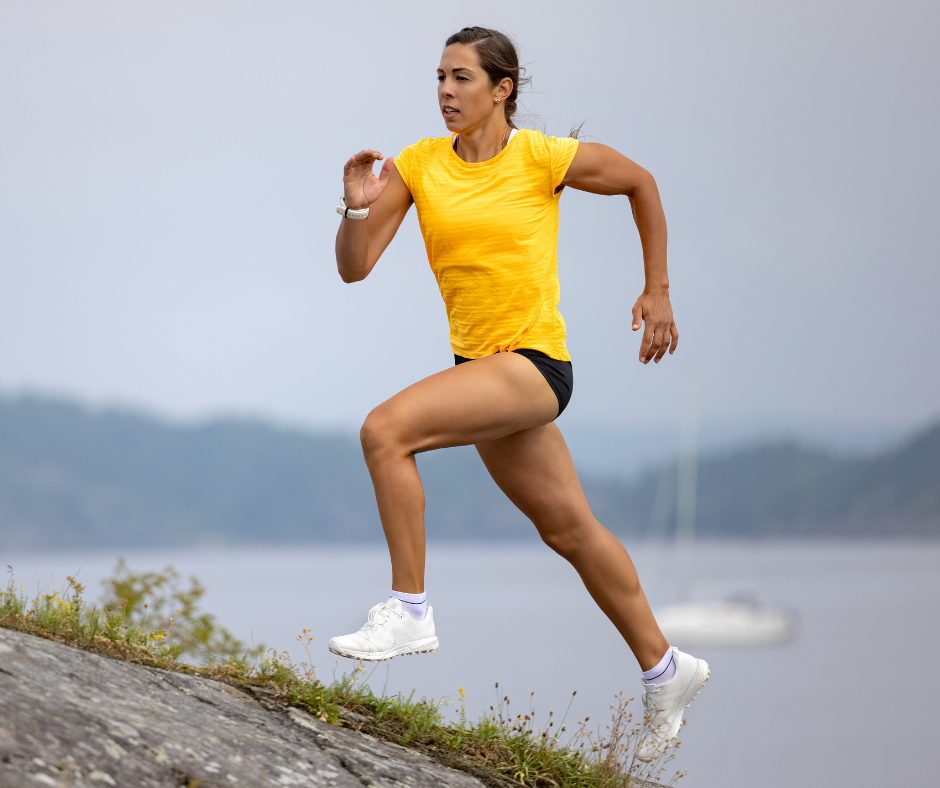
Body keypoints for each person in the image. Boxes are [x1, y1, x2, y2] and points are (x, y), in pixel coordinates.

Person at [330, 26, 708, 761]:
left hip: (532, 366)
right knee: (570, 531)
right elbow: (355, 267)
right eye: (439, 77)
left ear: (502, 89)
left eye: (462, 78)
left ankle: (409, 609)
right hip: (483, 373)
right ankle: (667, 668)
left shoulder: (541, 157)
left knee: (386, 431)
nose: (445, 91)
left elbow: (641, 182)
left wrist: (657, 288)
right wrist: (353, 207)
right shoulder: (417, 166)